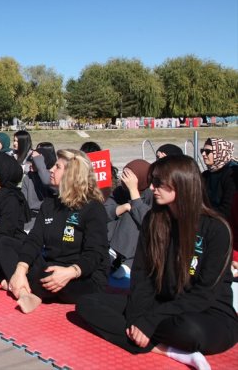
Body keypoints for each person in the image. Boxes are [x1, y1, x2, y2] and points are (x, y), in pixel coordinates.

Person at [76, 155, 237, 369]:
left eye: (159, 183)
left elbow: (204, 293)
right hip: (160, 302)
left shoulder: (216, 229)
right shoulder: (154, 220)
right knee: (87, 304)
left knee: (189, 331)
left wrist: (149, 321)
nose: (152, 188)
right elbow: (141, 276)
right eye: (152, 181)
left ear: (182, 184)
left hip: (205, 311)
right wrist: (138, 317)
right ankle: (167, 350)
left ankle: (153, 337)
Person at [0, 149, 108, 314]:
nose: (51, 170)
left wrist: (70, 272)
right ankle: (23, 290)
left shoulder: (93, 207)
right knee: (5, 244)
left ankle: (16, 284)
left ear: (72, 174)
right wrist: (21, 269)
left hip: (81, 276)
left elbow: (95, 254)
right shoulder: (50, 204)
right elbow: (34, 239)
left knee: (49, 280)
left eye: (57, 167)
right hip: (51, 268)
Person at [104, 159, 153, 278]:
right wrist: (122, 207)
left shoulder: (150, 194)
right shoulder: (120, 191)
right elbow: (105, 211)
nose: (123, 179)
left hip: (138, 246)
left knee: (133, 213)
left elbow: (147, 220)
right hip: (114, 239)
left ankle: (128, 263)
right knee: (120, 211)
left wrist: (133, 192)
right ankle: (112, 253)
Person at [20, 142, 57, 231]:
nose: (31, 165)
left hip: (47, 220)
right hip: (29, 220)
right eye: (31, 161)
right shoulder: (28, 178)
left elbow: (46, 181)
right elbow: (23, 201)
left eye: (34, 162)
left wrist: (38, 159)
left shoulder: (51, 177)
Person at [200, 138, 236, 221]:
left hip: (225, 224)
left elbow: (228, 209)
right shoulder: (206, 175)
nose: (203, 154)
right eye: (202, 150)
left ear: (220, 153)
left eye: (208, 151)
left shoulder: (232, 175)